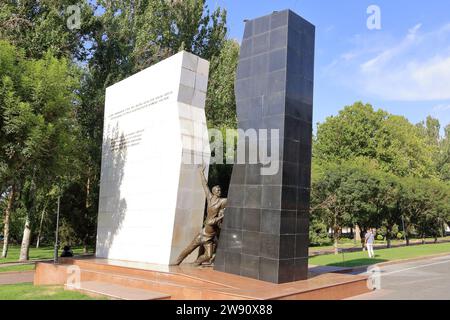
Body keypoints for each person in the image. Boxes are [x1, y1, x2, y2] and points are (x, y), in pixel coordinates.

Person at [173, 164, 227, 266]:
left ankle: (195, 263)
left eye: (220, 190)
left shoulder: (222, 201)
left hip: (210, 237)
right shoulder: (210, 198)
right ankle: (176, 262)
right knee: (189, 249)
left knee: (208, 256)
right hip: (203, 234)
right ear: (213, 192)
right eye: (217, 190)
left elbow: (232, 200)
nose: (219, 191)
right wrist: (201, 172)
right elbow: (204, 185)